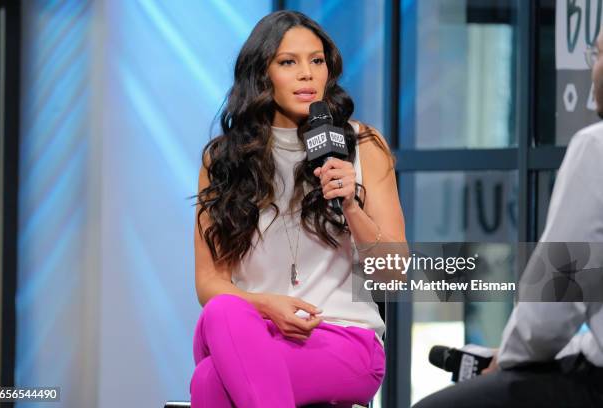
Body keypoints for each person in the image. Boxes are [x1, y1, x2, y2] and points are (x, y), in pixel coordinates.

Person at [190, 11, 406, 407]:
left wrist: (351, 206)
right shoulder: (223, 159)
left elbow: (394, 276)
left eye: (317, 61)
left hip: (345, 340)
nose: (307, 74)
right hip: (255, 331)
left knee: (210, 377)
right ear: (261, 74)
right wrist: (268, 305)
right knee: (222, 312)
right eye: (289, 62)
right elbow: (209, 282)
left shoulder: (363, 145)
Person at [412, 28, 603, 408]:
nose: (592, 71)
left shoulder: (595, 147)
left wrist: (508, 359)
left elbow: (554, 298)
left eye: (597, 54)